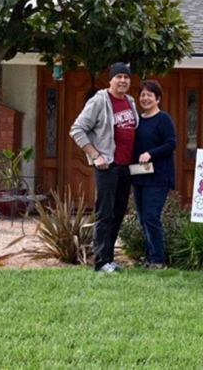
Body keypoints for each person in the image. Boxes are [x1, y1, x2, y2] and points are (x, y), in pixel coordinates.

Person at [69, 62, 140, 273]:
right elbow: (77, 129)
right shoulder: (100, 101)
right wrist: (95, 155)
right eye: (118, 77)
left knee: (118, 212)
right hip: (108, 166)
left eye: (126, 77)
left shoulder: (130, 101)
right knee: (105, 213)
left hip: (127, 166)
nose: (123, 81)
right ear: (110, 80)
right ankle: (101, 262)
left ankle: (110, 259)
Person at [132, 80, 177, 270]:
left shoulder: (163, 119)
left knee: (151, 216)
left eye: (149, 95)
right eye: (142, 95)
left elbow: (171, 143)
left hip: (158, 177)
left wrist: (151, 153)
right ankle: (150, 257)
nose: (145, 98)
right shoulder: (137, 120)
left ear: (157, 98)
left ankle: (158, 261)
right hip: (139, 175)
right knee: (143, 219)